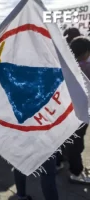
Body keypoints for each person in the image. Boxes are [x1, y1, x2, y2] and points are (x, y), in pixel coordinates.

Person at [56, 36, 90, 184]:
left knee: (63, 139)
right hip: (80, 112)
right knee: (76, 143)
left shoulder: (62, 65)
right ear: (86, 52)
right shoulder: (86, 67)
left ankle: (59, 163)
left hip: (63, 111)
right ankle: (76, 172)